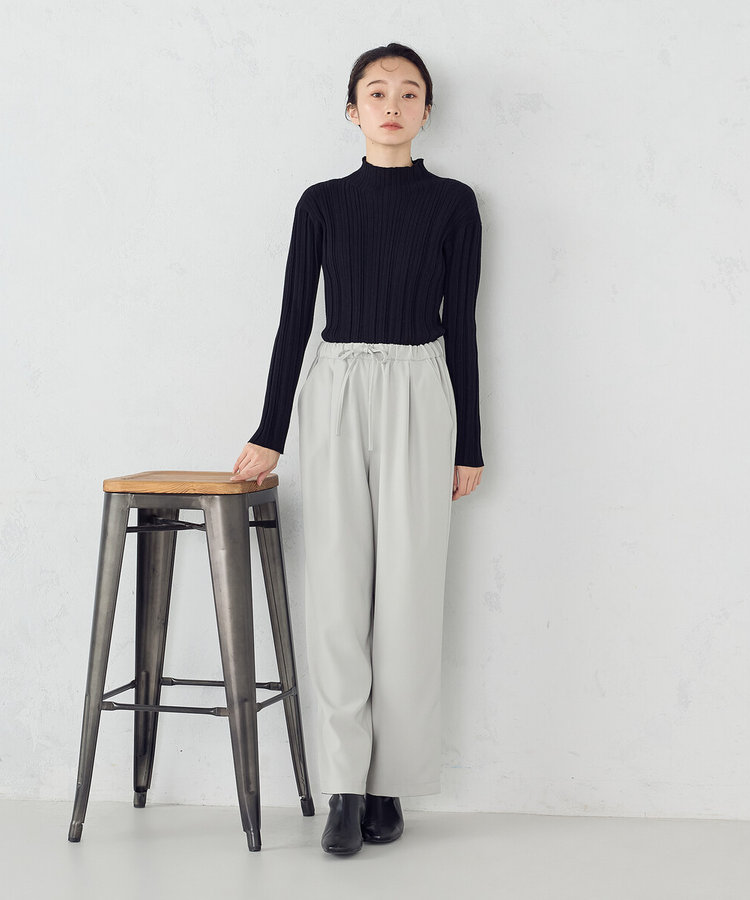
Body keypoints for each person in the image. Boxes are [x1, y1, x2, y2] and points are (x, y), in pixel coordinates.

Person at [230, 43, 484, 855]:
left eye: (409, 93)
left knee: (410, 592)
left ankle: (388, 784)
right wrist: (270, 431)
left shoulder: (454, 204)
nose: (392, 105)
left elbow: (463, 325)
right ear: (352, 110)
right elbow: (293, 322)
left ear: (427, 111)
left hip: (421, 388)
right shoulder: (322, 204)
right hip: (335, 387)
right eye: (377, 92)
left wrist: (470, 443)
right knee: (338, 588)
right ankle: (344, 781)